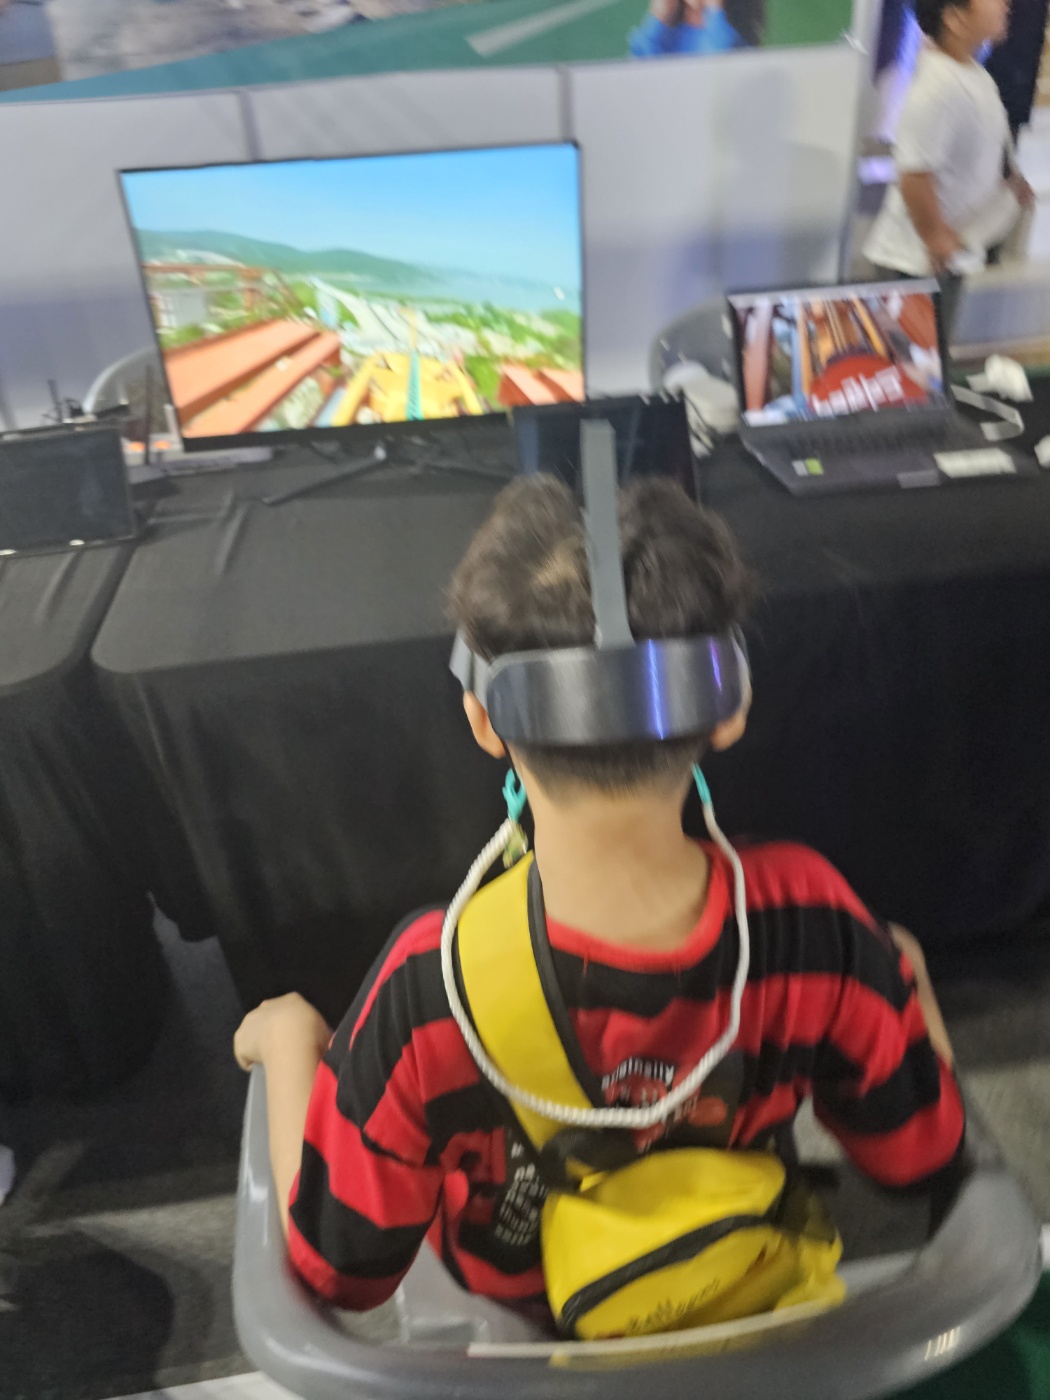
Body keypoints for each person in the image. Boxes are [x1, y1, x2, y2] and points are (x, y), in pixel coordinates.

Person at [234, 475, 964, 1314]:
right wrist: (900, 971)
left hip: (525, 1329)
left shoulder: (430, 987)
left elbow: (339, 1269)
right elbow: (919, 1154)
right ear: (729, 707)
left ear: (482, 720)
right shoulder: (813, 920)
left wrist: (289, 1040)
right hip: (738, 1289)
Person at [864, 0, 1036, 338]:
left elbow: (982, 146)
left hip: (947, 256)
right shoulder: (937, 86)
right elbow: (913, 173)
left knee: (935, 348)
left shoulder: (974, 75)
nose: (1005, 4)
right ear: (955, 20)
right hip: (912, 263)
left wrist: (1009, 183)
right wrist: (934, 236)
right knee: (912, 355)